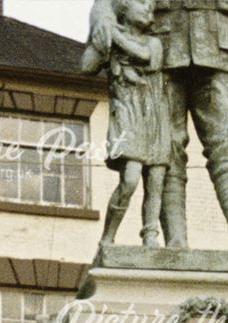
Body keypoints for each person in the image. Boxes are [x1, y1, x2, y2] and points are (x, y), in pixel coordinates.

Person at [89, 0, 228, 251]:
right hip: (163, 55)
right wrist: (102, 20)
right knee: (167, 151)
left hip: (218, 51)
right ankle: (175, 240)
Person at [82, 0, 171, 247]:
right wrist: (99, 33)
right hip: (127, 114)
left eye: (151, 6)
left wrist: (114, 36)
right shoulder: (110, 31)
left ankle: (150, 235)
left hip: (154, 115)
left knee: (155, 180)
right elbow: (85, 66)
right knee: (130, 179)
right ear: (122, 6)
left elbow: (144, 57)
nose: (147, 9)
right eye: (141, 2)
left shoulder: (153, 43)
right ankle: (108, 237)